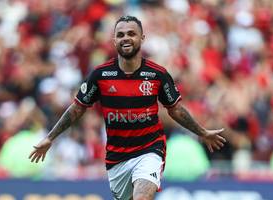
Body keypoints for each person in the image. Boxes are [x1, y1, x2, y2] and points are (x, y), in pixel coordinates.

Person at [29, 15, 226, 200]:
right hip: (117, 158)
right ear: (114, 41)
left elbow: (175, 109)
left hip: (150, 149)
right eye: (120, 34)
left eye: (131, 33)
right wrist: (50, 138)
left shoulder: (157, 75)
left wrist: (202, 132)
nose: (126, 38)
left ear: (142, 38)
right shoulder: (100, 75)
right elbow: (77, 109)